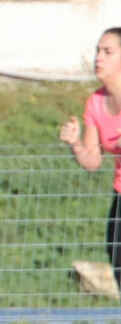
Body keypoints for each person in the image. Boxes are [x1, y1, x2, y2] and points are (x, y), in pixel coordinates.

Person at [59, 28, 121, 284]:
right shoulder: (95, 102)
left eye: (108, 52)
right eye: (98, 51)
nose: (99, 58)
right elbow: (93, 161)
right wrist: (75, 143)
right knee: (117, 263)